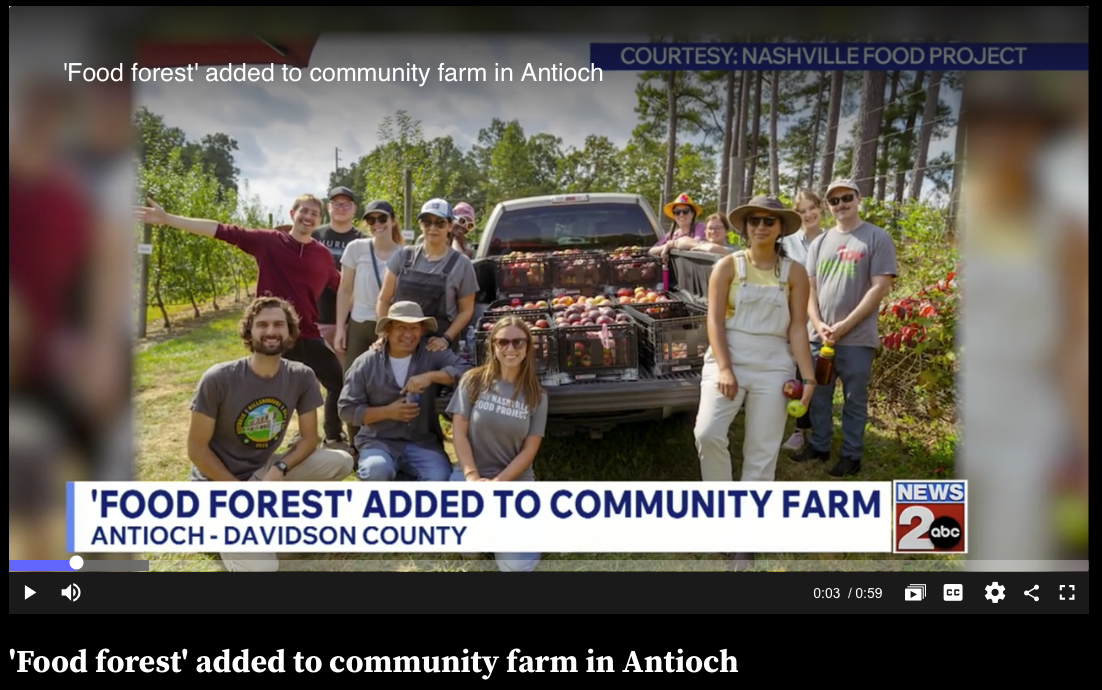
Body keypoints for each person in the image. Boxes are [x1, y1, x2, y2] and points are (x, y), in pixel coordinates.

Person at [134, 195, 350, 450]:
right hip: (273, 335)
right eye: (304, 211)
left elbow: (344, 286)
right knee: (268, 393)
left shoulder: (322, 255)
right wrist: (168, 219)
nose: (308, 217)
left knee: (337, 382)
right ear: (293, 214)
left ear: (319, 219)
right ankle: (256, 445)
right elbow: (221, 230)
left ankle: (333, 436)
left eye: (314, 213)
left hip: (308, 334)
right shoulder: (269, 242)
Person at [693, 195, 816, 571]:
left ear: (780, 228)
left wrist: (808, 377)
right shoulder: (727, 266)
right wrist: (725, 368)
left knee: (762, 452)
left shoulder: (794, 272)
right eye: (754, 220)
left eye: (769, 221)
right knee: (707, 433)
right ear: (745, 227)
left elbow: (798, 328)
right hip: (727, 356)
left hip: (774, 362)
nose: (761, 226)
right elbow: (714, 321)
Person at [187, 297, 354, 572]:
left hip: (262, 474)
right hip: (217, 486)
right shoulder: (218, 378)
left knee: (341, 461)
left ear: (290, 332)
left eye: (278, 324)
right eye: (262, 325)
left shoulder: (301, 376)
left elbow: (309, 439)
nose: (271, 331)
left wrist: (279, 468)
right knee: (263, 567)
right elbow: (197, 450)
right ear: (249, 331)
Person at [794, 179, 897, 477]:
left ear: (858, 198)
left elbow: (880, 288)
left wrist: (845, 325)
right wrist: (818, 323)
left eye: (846, 198)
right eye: (834, 200)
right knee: (818, 396)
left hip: (857, 339)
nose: (841, 204)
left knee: (853, 400)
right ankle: (819, 445)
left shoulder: (877, 238)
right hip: (820, 338)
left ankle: (851, 455)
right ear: (828, 205)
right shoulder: (820, 242)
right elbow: (809, 289)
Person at [448, 316, 548, 572]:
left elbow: (530, 450)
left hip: (513, 482)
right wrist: (472, 477)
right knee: (469, 547)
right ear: (492, 345)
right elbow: (458, 433)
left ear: (527, 347)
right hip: (472, 477)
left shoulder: (537, 395)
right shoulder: (472, 381)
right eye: (502, 342)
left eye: (518, 342)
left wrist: (498, 484)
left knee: (513, 567)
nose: (510, 348)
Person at [338, 301, 472, 481]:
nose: (408, 334)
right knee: (376, 470)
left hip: (423, 442)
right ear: (388, 329)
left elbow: (468, 372)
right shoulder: (366, 362)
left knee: (439, 478)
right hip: (378, 442)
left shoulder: (432, 352)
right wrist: (387, 412)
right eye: (401, 327)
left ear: (422, 330)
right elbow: (346, 410)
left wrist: (431, 376)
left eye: (414, 328)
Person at [334, 200, 405, 447]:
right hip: (360, 324)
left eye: (382, 218)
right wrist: (340, 328)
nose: (377, 224)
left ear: (393, 221)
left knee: (390, 384)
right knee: (352, 383)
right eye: (371, 220)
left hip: (391, 327)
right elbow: (345, 290)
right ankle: (356, 444)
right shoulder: (356, 248)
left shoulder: (405, 253)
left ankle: (388, 440)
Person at [376, 199, 479, 354]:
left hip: (437, 348)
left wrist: (446, 339)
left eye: (440, 223)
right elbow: (383, 300)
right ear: (420, 225)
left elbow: (466, 311)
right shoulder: (403, 256)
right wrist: (384, 335)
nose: (433, 228)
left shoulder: (462, 264)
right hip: (399, 343)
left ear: (450, 226)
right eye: (427, 222)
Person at [782, 190, 827, 452]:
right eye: (802, 211)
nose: (808, 214)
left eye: (812, 208)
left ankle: (816, 429)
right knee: (796, 374)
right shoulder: (787, 243)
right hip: (794, 315)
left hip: (824, 315)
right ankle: (799, 428)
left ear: (820, 208)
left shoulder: (832, 240)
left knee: (816, 374)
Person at [313, 187, 364, 354]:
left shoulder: (363, 241)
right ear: (328, 207)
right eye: (336, 204)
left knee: (346, 367)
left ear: (354, 209)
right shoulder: (315, 236)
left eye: (346, 205)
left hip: (352, 319)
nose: (341, 208)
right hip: (317, 317)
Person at [664, 212, 736, 255]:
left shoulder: (733, 250)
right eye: (710, 228)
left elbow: (714, 249)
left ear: (726, 231)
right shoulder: (702, 244)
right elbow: (684, 240)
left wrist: (697, 246)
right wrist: (671, 244)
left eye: (718, 228)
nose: (713, 231)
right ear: (705, 232)